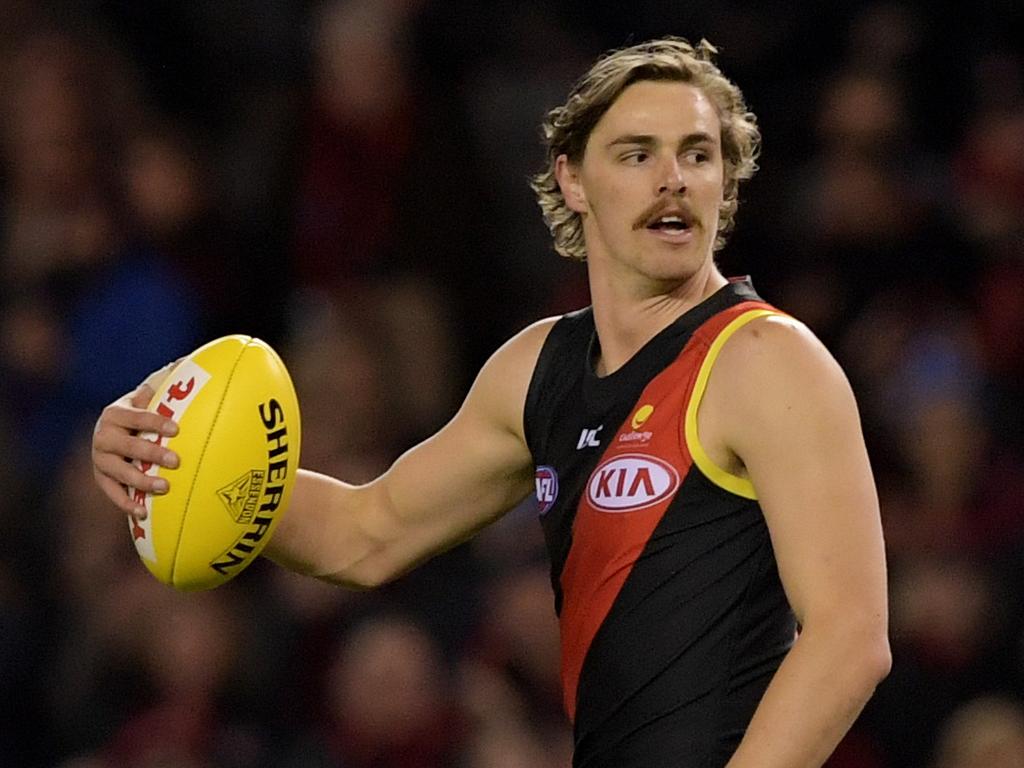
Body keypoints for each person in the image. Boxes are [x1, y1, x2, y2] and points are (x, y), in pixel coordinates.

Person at [92, 38, 891, 768]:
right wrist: (172, 460)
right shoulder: (535, 370)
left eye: (698, 154)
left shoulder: (766, 361)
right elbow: (365, 535)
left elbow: (849, 639)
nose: (673, 178)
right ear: (573, 178)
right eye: (636, 154)